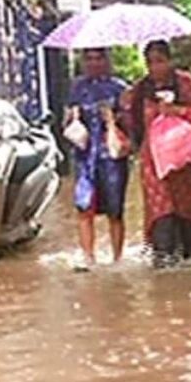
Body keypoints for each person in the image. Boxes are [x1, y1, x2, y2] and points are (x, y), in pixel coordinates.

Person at [124, 40, 191, 268]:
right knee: (161, 211)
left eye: (160, 61)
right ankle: (165, 261)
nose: (155, 68)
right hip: (153, 164)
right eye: (150, 63)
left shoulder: (185, 83)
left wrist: (176, 111)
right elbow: (132, 125)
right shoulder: (141, 90)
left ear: (170, 61)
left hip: (183, 163)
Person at [64, 47, 131, 269]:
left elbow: (131, 124)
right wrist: (72, 118)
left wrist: (114, 118)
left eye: (98, 58)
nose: (93, 63)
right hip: (85, 156)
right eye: (89, 58)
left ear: (106, 60)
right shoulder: (77, 88)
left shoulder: (119, 88)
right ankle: (88, 258)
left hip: (112, 157)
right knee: (84, 206)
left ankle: (117, 259)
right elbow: (67, 122)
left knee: (115, 209)